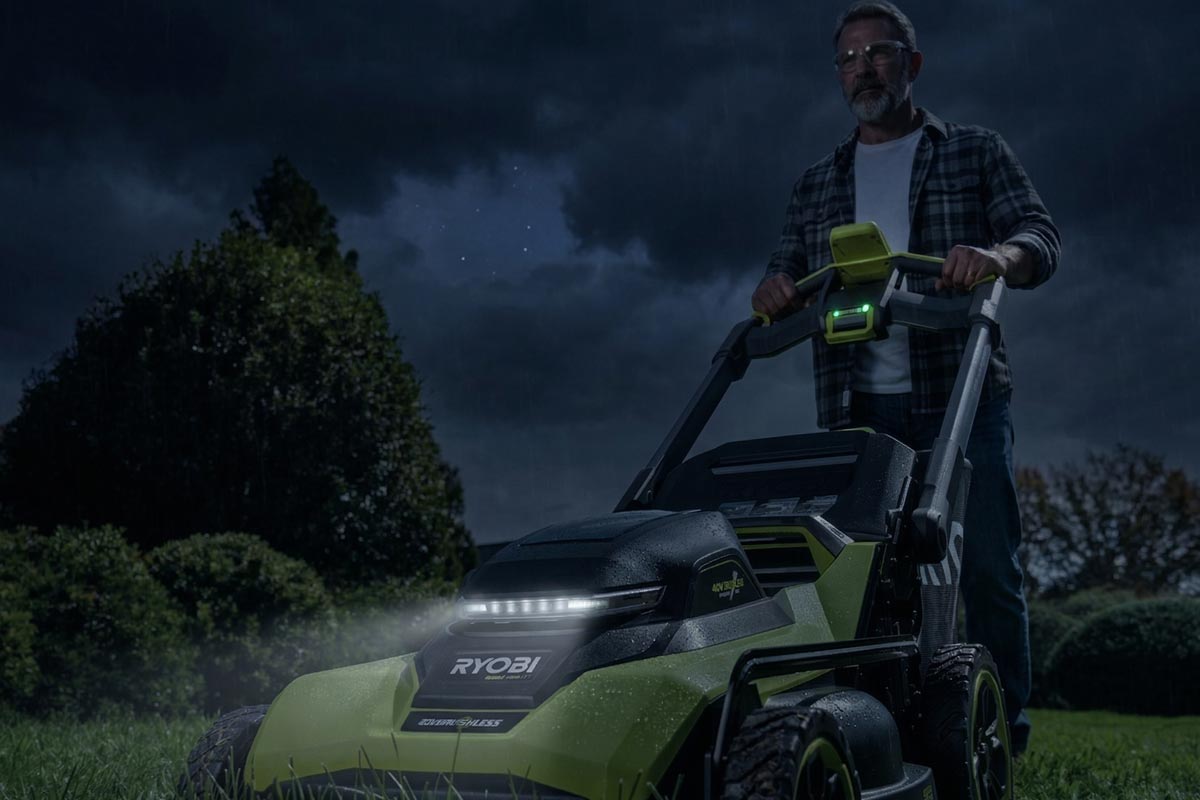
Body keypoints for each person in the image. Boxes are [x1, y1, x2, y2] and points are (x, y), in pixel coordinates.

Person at [751, 0, 1059, 755]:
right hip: (859, 409)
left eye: (880, 53)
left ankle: (998, 735)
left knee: (987, 564)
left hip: (962, 393)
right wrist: (774, 288)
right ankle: (877, 727)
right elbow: (783, 267)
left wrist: (994, 258)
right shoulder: (817, 182)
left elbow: (1038, 238)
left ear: (912, 64)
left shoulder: (974, 150)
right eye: (849, 58)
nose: (864, 69)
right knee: (864, 578)